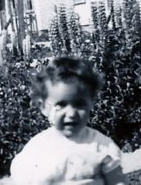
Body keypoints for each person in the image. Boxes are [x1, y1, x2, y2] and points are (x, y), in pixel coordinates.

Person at [10, 57, 126, 185]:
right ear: (43, 107)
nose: (71, 113)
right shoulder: (36, 150)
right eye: (60, 105)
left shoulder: (102, 146)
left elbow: (117, 182)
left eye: (79, 104)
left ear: (91, 103)